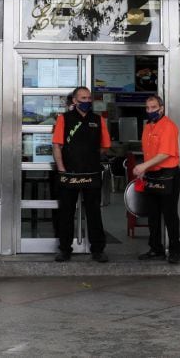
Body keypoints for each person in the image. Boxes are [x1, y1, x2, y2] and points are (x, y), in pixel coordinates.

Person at [52, 86, 110, 263]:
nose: (87, 101)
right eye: (83, 98)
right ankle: (64, 249)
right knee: (66, 213)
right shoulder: (64, 119)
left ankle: (98, 250)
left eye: (89, 98)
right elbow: (56, 145)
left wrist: (89, 155)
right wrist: (61, 168)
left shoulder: (98, 120)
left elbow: (105, 145)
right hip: (69, 173)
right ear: (75, 101)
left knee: (94, 212)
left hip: (92, 172)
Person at [133, 94, 180, 263]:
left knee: (169, 214)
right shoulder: (148, 127)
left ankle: (176, 250)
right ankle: (156, 249)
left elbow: (164, 153)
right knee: (152, 215)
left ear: (161, 108)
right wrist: (145, 169)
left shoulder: (168, 126)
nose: (150, 111)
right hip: (152, 174)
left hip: (168, 175)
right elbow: (149, 152)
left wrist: (142, 166)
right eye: (147, 108)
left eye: (153, 107)